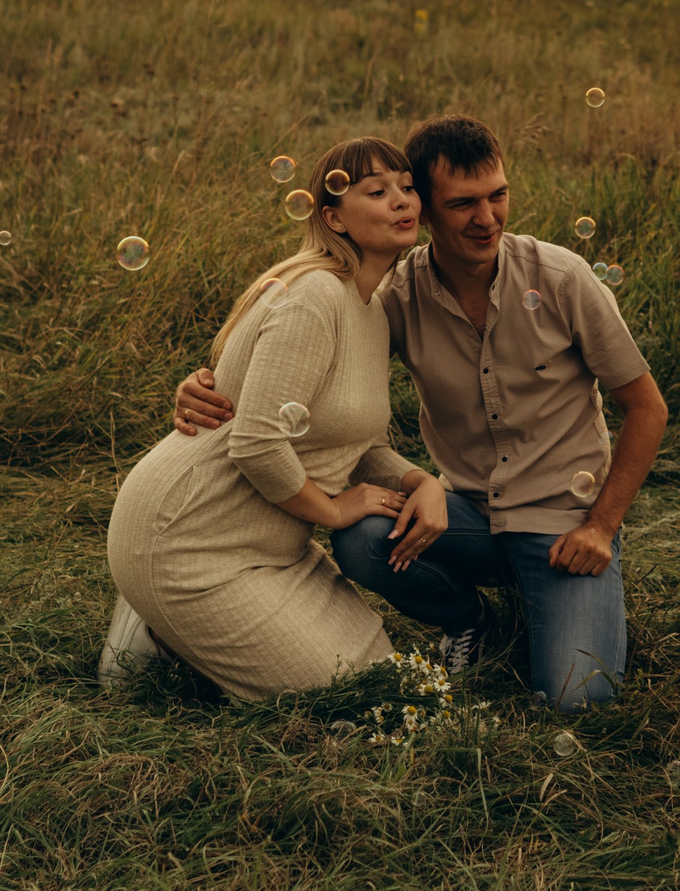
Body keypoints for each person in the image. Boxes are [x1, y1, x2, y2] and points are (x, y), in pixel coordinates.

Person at [176, 115, 668, 711]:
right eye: (462, 204)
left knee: (577, 702)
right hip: (471, 515)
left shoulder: (563, 279)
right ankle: (467, 620)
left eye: (498, 196)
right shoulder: (393, 297)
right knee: (362, 538)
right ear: (425, 211)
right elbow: (306, 365)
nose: (487, 219)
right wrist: (208, 383)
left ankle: (558, 594)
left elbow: (646, 408)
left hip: (564, 525)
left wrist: (601, 527)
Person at [103, 138, 451, 700]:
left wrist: (419, 480)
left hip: (268, 548)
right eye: (377, 191)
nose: (402, 201)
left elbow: (354, 443)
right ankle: (154, 626)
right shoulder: (315, 294)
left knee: (379, 668)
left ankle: (167, 636)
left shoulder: (372, 309)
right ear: (333, 217)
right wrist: (336, 511)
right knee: (349, 695)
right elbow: (257, 443)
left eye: (408, 188)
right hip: (187, 539)